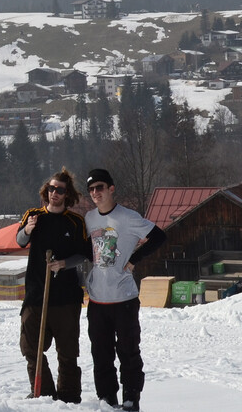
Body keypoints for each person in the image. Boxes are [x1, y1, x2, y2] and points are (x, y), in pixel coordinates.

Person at [83, 168, 166, 412]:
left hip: (124, 298)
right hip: (97, 300)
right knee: (101, 353)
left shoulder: (129, 217)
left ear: (111, 188)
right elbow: (90, 249)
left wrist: (134, 260)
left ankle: (131, 398)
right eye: (91, 189)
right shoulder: (89, 218)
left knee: (128, 352)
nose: (95, 193)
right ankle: (107, 399)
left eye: (100, 187)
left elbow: (159, 237)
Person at [15, 168, 90, 403]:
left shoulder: (75, 222)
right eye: (51, 188)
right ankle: (43, 392)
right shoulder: (34, 215)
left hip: (66, 298)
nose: (54, 193)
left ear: (67, 195)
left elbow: (84, 254)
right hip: (36, 294)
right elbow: (20, 241)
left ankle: (68, 397)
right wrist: (27, 229)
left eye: (59, 190)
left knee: (67, 352)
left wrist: (64, 264)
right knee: (31, 347)